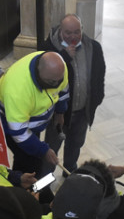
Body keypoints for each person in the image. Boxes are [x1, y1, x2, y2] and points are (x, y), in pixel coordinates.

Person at [41, 14, 106, 173]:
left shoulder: (93, 48)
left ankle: (69, 172)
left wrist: (96, 99)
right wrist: (64, 56)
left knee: (76, 144)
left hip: (82, 111)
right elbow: (44, 80)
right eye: (68, 33)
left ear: (82, 30)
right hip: (58, 115)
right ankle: (43, 186)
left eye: (77, 32)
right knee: (51, 152)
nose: (73, 37)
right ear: (60, 30)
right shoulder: (48, 49)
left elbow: (99, 75)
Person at [0, 51, 70, 177]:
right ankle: (26, 191)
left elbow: (63, 88)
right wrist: (43, 150)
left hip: (31, 121)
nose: (56, 85)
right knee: (28, 164)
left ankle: (34, 188)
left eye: (59, 80)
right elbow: (19, 133)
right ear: (39, 74)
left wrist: (60, 112)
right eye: (52, 83)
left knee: (33, 159)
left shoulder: (58, 69)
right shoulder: (17, 91)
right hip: (11, 124)